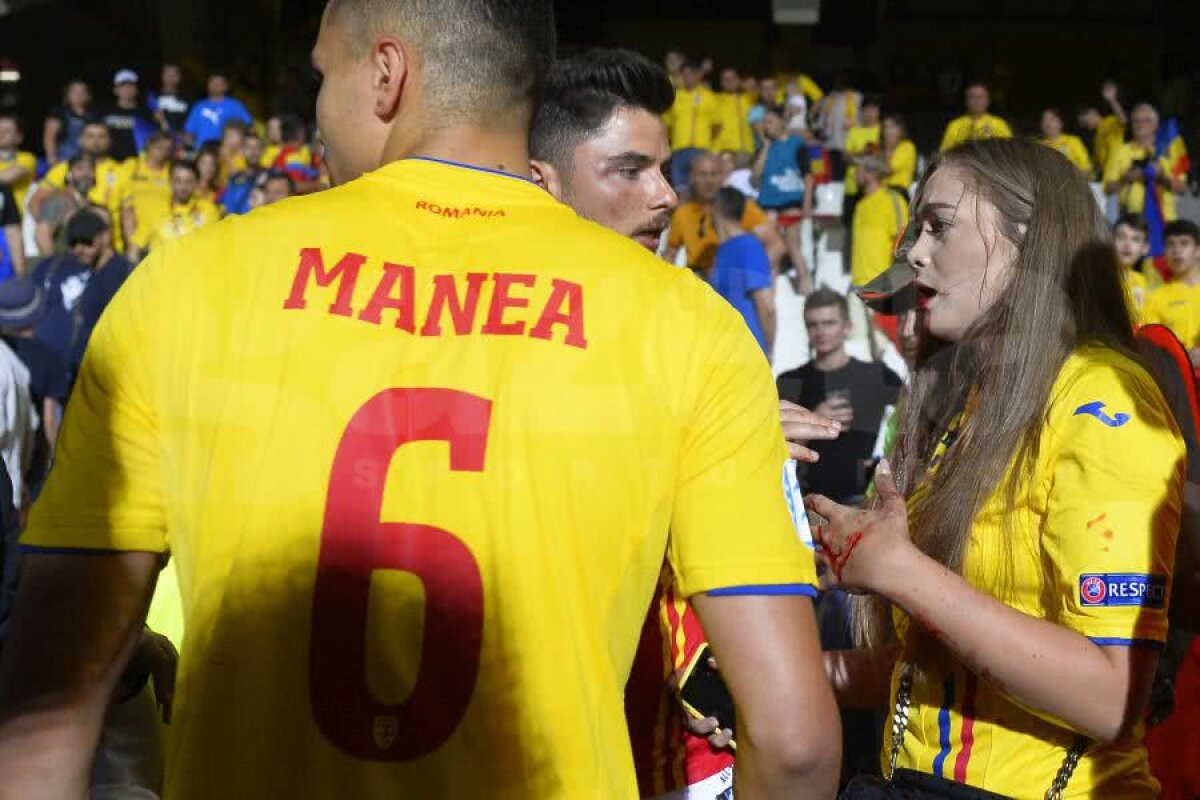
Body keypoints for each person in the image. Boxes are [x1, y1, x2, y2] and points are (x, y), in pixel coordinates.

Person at [0, 4, 842, 799]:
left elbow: (48, 710)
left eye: (324, 77)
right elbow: (796, 745)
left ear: (385, 75)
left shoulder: (182, 287)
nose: (319, 108)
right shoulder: (689, 326)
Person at [816, 137, 1183, 799]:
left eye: (939, 227)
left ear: (1029, 240)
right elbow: (936, 674)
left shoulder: (1103, 403)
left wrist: (899, 571)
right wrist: (770, 672)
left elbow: (1110, 695)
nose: (913, 254)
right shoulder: (969, 403)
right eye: (914, 229)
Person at [777, 289, 901, 504]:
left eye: (829, 323)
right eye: (813, 325)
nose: (821, 331)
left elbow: (917, 412)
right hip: (805, 500)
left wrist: (886, 459)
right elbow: (775, 448)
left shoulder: (874, 374)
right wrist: (814, 420)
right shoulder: (790, 380)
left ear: (847, 326)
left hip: (861, 498)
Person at [32, 209, 133, 372]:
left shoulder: (121, 273)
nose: (79, 249)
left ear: (105, 237)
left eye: (86, 242)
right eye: (74, 243)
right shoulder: (53, 266)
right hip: (45, 366)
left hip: (88, 371)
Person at [0, 278, 71, 494]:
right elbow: (50, 422)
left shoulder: (3, 354)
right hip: (32, 459)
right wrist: (54, 467)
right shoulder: (51, 359)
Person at [665, 151, 785, 278]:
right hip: (699, 283)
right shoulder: (683, 213)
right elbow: (670, 255)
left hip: (733, 283)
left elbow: (776, 246)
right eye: (702, 175)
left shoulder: (740, 206)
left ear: (722, 177)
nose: (709, 181)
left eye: (714, 174)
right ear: (691, 178)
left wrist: (749, 277)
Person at [1103, 103, 1189, 249]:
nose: (1140, 125)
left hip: (1164, 221)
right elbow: (1107, 188)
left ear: (1156, 124)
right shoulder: (1121, 151)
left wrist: (1160, 176)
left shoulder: (1172, 149)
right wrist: (1125, 179)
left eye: (1146, 120)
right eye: (1136, 121)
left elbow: (1181, 188)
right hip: (1132, 225)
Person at [36, 121, 128, 252]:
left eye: (101, 136)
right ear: (80, 139)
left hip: (109, 250)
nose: (96, 141)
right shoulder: (63, 169)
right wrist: (53, 221)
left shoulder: (121, 171)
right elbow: (37, 204)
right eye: (90, 136)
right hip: (66, 255)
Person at [751, 106, 813, 293]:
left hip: (791, 202)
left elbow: (808, 176)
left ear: (781, 122)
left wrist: (807, 205)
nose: (766, 126)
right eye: (764, 123)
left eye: (770, 121)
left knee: (793, 245)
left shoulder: (797, 144)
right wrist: (766, 147)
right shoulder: (765, 148)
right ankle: (770, 289)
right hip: (768, 204)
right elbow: (755, 177)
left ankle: (805, 286)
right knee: (772, 248)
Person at [711, 187, 775, 358]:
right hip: (725, 354)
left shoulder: (749, 246)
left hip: (749, 353)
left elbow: (766, 305)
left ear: (716, 209)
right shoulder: (722, 251)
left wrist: (768, 351)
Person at [126, 159, 220, 263]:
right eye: (178, 181)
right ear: (170, 181)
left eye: (188, 181)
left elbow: (213, 246)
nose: (183, 186)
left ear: (196, 183)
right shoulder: (155, 209)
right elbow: (135, 246)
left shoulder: (208, 210)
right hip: (160, 273)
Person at [1143, 220, 1200, 363]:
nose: (1177, 250)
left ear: (1198, 250)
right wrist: (1183, 356)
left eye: (1184, 243)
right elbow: (1150, 347)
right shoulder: (1155, 299)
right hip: (1178, 378)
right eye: (1171, 244)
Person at [849, 155, 909, 288]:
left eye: (858, 169)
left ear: (870, 174)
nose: (854, 174)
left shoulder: (893, 199)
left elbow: (903, 241)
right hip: (856, 285)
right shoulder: (860, 205)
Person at [663, 57, 717, 192]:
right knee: (680, 192)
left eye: (691, 74)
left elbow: (716, 126)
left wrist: (706, 142)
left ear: (698, 75)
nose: (688, 77)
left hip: (702, 150)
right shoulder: (674, 97)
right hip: (679, 151)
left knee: (700, 191)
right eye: (685, 74)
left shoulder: (709, 96)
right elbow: (667, 125)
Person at [31, 153, 95, 257]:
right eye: (80, 169)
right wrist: (54, 266)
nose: (86, 174)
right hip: (63, 264)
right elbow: (42, 235)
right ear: (69, 174)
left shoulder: (90, 203)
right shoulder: (60, 200)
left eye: (90, 169)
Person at [119, 129, 174, 244]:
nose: (163, 152)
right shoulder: (132, 166)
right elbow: (123, 196)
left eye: (167, 149)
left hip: (163, 234)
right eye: (159, 147)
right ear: (149, 145)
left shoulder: (171, 171)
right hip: (135, 229)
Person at [99, 69, 160, 162]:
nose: (127, 89)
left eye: (131, 86)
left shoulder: (147, 113)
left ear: (136, 90)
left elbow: (154, 138)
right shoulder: (104, 111)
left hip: (138, 161)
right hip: (108, 161)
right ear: (115, 90)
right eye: (123, 86)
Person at [183, 72, 254, 148]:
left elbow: (250, 127)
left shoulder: (235, 106)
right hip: (203, 150)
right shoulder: (198, 107)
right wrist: (190, 147)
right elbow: (189, 132)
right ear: (208, 85)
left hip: (227, 150)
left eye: (219, 83)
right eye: (212, 82)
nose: (215, 85)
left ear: (226, 86)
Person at [938, 81, 1012, 152]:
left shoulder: (1000, 124)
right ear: (966, 101)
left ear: (988, 101)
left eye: (981, 97)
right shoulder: (955, 125)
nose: (977, 100)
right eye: (972, 96)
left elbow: (1010, 151)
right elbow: (944, 153)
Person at [842, 97, 882, 225]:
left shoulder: (882, 131)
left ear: (878, 112)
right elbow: (846, 156)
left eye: (873, 109)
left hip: (874, 188)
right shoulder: (854, 131)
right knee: (850, 227)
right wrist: (863, 153)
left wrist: (857, 157)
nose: (869, 113)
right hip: (852, 187)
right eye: (866, 110)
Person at [813, 73, 861, 179]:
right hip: (829, 147)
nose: (840, 82)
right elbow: (820, 125)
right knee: (829, 179)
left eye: (843, 80)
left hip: (847, 148)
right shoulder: (827, 100)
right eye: (837, 80)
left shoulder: (856, 97)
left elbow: (863, 121)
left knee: (848, 181)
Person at [1077, 80, 1128, 179]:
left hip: (1119, 174)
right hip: (1106, 179)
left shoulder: (1110, 121)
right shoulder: (1096, 138)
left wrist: (1112, 100)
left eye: (1084, 121)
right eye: (1082, 124)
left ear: (1092, 112)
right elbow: (1097, 166)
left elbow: (1123, 120)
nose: (1084, 125)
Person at [1113, 213, 1159, 314]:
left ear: (1145, 248)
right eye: (1121, 237)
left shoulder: (1145, 284)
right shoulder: (1097, 279)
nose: (1127, 244)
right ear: (1111, 241)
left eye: (1135, 239)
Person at [43, 79, 91, 166]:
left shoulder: (93, 115)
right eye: (75, 92)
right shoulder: (58, 113)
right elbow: (49, 137)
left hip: (87, 160)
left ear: (88, 95)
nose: (79, 95)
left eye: (82, 92)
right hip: (63, 159)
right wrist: (52, 158)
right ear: (68, 95)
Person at [712, 67, 755, 155]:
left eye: (733, 78)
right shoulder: (714, 99)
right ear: (721, 83)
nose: (729, 81)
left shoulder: (749, 99)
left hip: (747, 151)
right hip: (723, 152)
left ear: (739, 80)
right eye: (725, 79)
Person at [0, 114, 37, 213]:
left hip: (17, 218)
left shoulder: (27, 158)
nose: (1, 133)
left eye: (7, 131)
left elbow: (9, 177)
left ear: (19, 138)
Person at [1038, 107, 1091, 174]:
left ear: (1061, 123)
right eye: (1044, 120)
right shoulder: (1038, 145)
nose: (1048, 123)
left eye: (1052, 119)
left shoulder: (1073, 141)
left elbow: (1086, 167)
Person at [881, 112, 917, 199]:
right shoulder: (881, 148)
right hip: (881, 191)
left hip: (898, 192)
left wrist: (888, 149)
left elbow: (888, 169)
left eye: (892, 127)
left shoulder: (907, 146)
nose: (888, 131)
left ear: (901, 129)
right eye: (886, 127)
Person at [149, 63, 191, 135]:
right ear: (162, 76)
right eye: (168, 74)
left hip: (180, 139)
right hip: (158, 140)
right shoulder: (152, 97)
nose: (170, 77)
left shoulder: (188, 98)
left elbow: (191, 123)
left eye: (174, 74)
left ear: (179, 77)